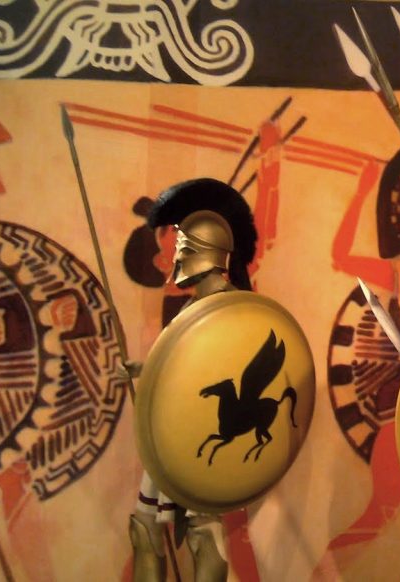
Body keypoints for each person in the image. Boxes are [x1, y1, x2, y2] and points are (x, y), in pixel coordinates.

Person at [127, 178, 257, 582]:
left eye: (182, 247)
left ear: (203, 251)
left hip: (203, 435)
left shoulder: (233, 308)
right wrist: (146, 371)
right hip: (172, 433)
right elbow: (180, 364)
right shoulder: (194, 308)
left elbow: (224, 374)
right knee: (145, 530)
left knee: (204, 534)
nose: (174, 257)